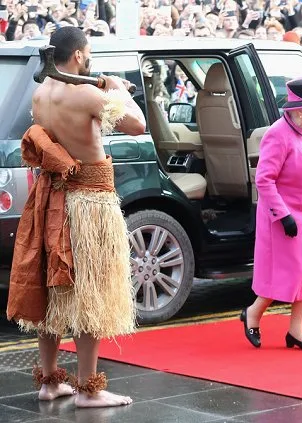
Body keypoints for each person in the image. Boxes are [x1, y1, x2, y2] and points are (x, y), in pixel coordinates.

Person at [6, 27, 146, 406]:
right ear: (79, 57)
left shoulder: (41, 94)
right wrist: (115, 88)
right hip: (89, 203)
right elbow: (137, 125)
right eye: (89, 52)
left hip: (51, 200)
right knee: (90, 293)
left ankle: (50, 382)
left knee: (53, 292)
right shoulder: (86, 93)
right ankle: (89, 389)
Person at [241, 77, 302, 351]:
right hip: (282, 218)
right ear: (298, 110)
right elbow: (264, 180)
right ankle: (253, 313)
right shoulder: (277, 134)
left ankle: (296, 330)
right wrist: (283, 215)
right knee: (284, 275)